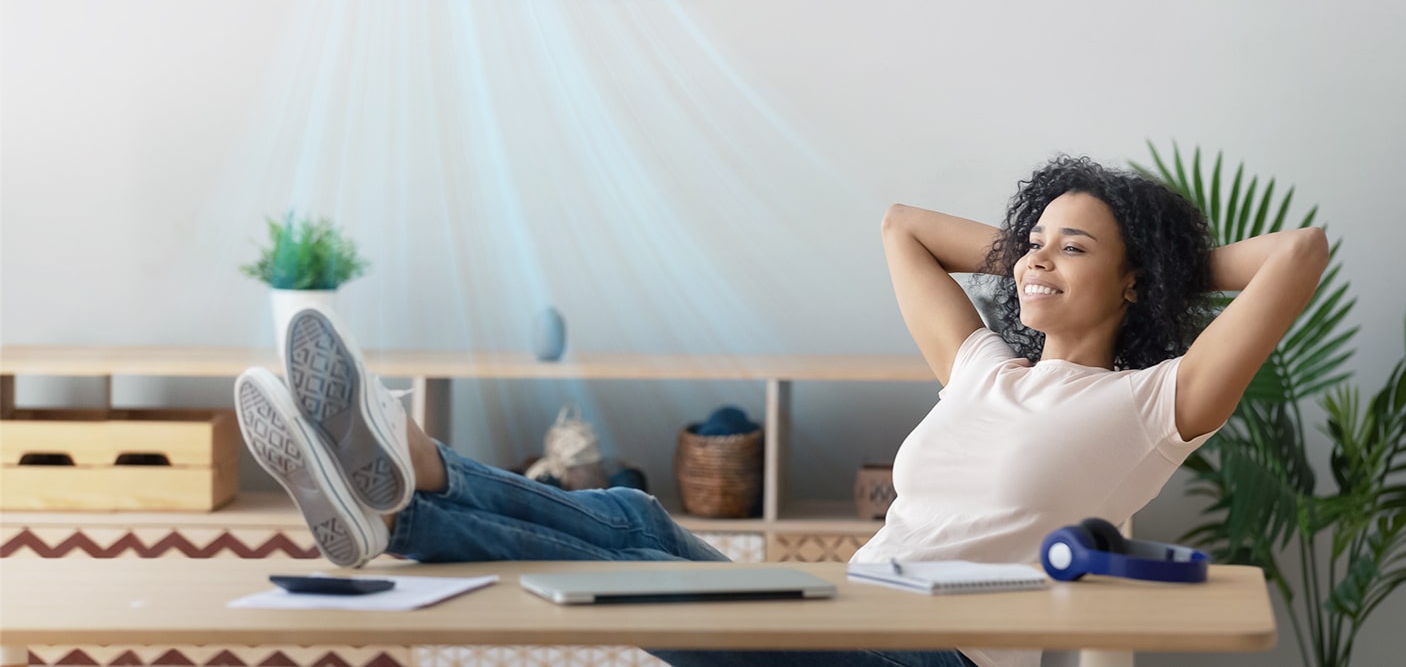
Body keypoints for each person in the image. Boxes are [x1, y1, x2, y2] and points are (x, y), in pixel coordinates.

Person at [235, 154, 1328, 667]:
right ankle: (409, 480)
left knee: (651, 582)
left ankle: (408, 482)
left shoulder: (1149, 403)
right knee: (640, 528)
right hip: (847, 611)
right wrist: (1043, 253)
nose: (1036, 257)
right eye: (1030, 242)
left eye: (1070, 249)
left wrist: (1159, 253)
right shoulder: (984, 368)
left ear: (1135, 284)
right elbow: (900, 223)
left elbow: (1297, 253)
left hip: (929, 665)